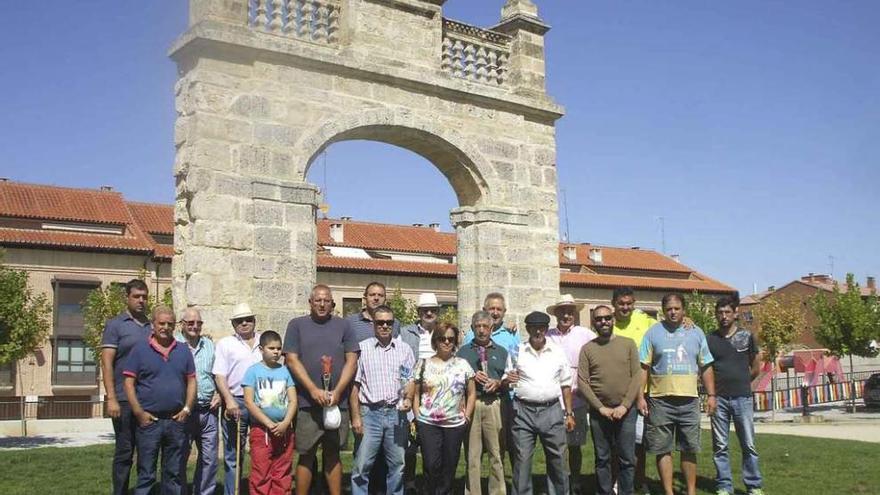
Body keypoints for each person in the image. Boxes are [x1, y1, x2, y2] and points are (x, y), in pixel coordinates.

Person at [638, 293, 716, 495]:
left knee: (689, 449)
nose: (673, 312)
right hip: (660, 401)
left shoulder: (696, 332)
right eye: (669, 309)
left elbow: (706, 366)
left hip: (689, 400)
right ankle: (669, 492)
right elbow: (643, 368)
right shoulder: (652, 333)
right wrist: (640, 396)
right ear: (663, 311)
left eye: (677, 308)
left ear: (684, 310)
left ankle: (691, 491)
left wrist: (712, 396)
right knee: (662, 449)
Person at [284, 284, 359, 495]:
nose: (322, 304)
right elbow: (291, 359)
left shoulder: (344, 326)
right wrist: (312, 390)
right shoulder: (296, 325)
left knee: (333, 454)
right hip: (307, 403)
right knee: (306, 453)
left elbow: (352, 361)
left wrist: (337, 392)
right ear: (310, 302)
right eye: (318, 300)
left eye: (326, 300)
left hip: (338, 403)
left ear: (333, 303)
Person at [122, 305, 196, 495]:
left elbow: (191, 381)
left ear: (175, 326)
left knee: (173, 474)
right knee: (146, 473)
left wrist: (187, 409)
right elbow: (129, 383)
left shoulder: (183, 350)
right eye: (161, 323)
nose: (165, 327)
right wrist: (139, 413)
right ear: (153, 325)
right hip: (149, 423)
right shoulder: (139, 350)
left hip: (176, 421)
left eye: (170, 324)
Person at [350, 305, 416, 495]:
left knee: (398, 465)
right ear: (373, 324)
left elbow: (410, 380)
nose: (385, 326)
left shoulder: (404, 350)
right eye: (380, 322)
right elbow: (355, 387)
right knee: (362, 466)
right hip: (370, 413)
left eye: (389, 322)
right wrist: (356, 417)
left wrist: (409, 398)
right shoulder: (362, 349)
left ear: (394, 324)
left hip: (397, 414)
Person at [508, 311, 576, 495]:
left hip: (552, 409)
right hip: (523, 411)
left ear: (546, 329)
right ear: (527, 329)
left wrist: (569, 413)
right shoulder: (517, 351)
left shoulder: (557, 352)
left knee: (558, 459)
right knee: (522, 460)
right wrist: (509, 379)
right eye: (533, 328)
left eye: (541, 328)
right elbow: (509, 379)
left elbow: (566, 384)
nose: (538, 332)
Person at [577, 305, 641, 495]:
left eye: (606, 318)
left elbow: (636, 375)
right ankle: (604, 491)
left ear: (613, 319)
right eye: (598, 319)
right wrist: (599, 407)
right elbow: (582, 381)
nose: (603, 322)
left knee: (627, 459)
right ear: (593, 322)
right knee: (602, 458)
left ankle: (625, 492)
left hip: (627, 411)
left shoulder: (628, 344)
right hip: (599, 413)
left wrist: (625, 405)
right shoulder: (588, 349)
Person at [707, 296, 764, 495]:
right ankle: (724, 485)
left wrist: (741, 381)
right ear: (716, 315)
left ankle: (753, 485)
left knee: (748, 443)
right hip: (719, 399)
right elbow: (706, 369)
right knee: (720, 445)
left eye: (727, 312)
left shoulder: (746, 337)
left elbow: (756, 366)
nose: (723, 316)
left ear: (735, 313)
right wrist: (711, 394)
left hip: (743, 398)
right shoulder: (710, 339)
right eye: (720, 313)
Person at [101, 278, 152, 495]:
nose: (141, 301)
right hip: (122, 399)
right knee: (124, 452)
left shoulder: (151, 326)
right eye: (136, 296)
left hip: (147, 400)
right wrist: (111, 397)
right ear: (127, 298)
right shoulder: (115, 325)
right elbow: (106, 362)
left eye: (144, 297)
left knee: (146, 453)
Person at [414, 323, 476, 495]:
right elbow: (416, 393)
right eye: (443, 338)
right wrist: (417, 415)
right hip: (428, 422)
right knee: (431, 465)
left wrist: (467, 416)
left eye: (451, 339)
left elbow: (471, 393)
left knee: (449, 467)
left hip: (454, 424)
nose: (447, 342)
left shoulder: (463, 364)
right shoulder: (423, 364)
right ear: (435, 340)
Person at [545, 294, 596, 491]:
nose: (566, 315)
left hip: (577, 398)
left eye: (570, 312)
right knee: (555, 446)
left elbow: (600, 352)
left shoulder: (586, 334)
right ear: (556, 314)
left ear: (574, 314)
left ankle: (574, 480)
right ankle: (558, 481)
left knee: (575, 445)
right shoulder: (548, 335)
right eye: (562, 312)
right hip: (552, 398)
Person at [213, 302, 263, 495]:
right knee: (234, 454)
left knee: (261, 452)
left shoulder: (264, 340)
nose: (244, 323)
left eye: (248, 319)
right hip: (237, 401)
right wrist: (229, 400)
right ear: (233, 324)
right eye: (239, 320)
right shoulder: (226, 344)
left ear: (254, 321)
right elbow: (219, 375)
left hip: (261, 402)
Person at [458, 311, 509, 495]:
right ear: (472, 328)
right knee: (472, 455)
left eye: (485, 326)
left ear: (491, 328)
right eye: (477, 326)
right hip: (472, 404)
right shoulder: (462, 352)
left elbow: (508, 381)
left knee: (496, 453)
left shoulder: (502, 352)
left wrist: (499, 383)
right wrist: (470, 376)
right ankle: (473, 492)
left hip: (494, 404)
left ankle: (497, 491)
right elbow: (455, 380)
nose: (481, 330)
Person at [611, 287, 657, 492]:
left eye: (629, 303)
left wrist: (686, 321)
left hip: (642, 393)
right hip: (616, 393)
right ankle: (616, 480)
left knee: (639, 442)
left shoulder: (644, 321)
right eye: (621, 303)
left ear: (634, 303)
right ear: (614, 304)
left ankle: (639, 481)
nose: (625, 307)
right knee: (615, 443)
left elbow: (667, 326)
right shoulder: (607, 324)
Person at [243, 331, 298, 495]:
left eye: (279, 348)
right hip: (261, 430)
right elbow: (249, 401)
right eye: (271, 348)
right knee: (261, 471)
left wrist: (285, 423)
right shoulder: (253, 371)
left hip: (284, 429)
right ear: (261, 349)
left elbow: (293, 400)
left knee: (282, 470)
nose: (276, 352)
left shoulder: (285, 372)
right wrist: (268, 423)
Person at [399, 292, 442, 492]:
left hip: (437, 395)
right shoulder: (405, 332)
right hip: (411, 390)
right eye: (426, 310)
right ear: (419, 312)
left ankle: (430, 483)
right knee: (410, 442)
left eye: (433, 310)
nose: (429, 313)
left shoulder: (444, 332)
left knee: (432, 443)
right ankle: (409, 483)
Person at [176, 308, 220, 495]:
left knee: (209, 458)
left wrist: (219, 393)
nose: (195, 326)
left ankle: (204, 492)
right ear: (182, 324)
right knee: (180, 457)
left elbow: (218, 373)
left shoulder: (209, 344)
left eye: (199, 323)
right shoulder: (174, 344)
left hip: (208, 411)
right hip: (182, 412)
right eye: (190, 322)